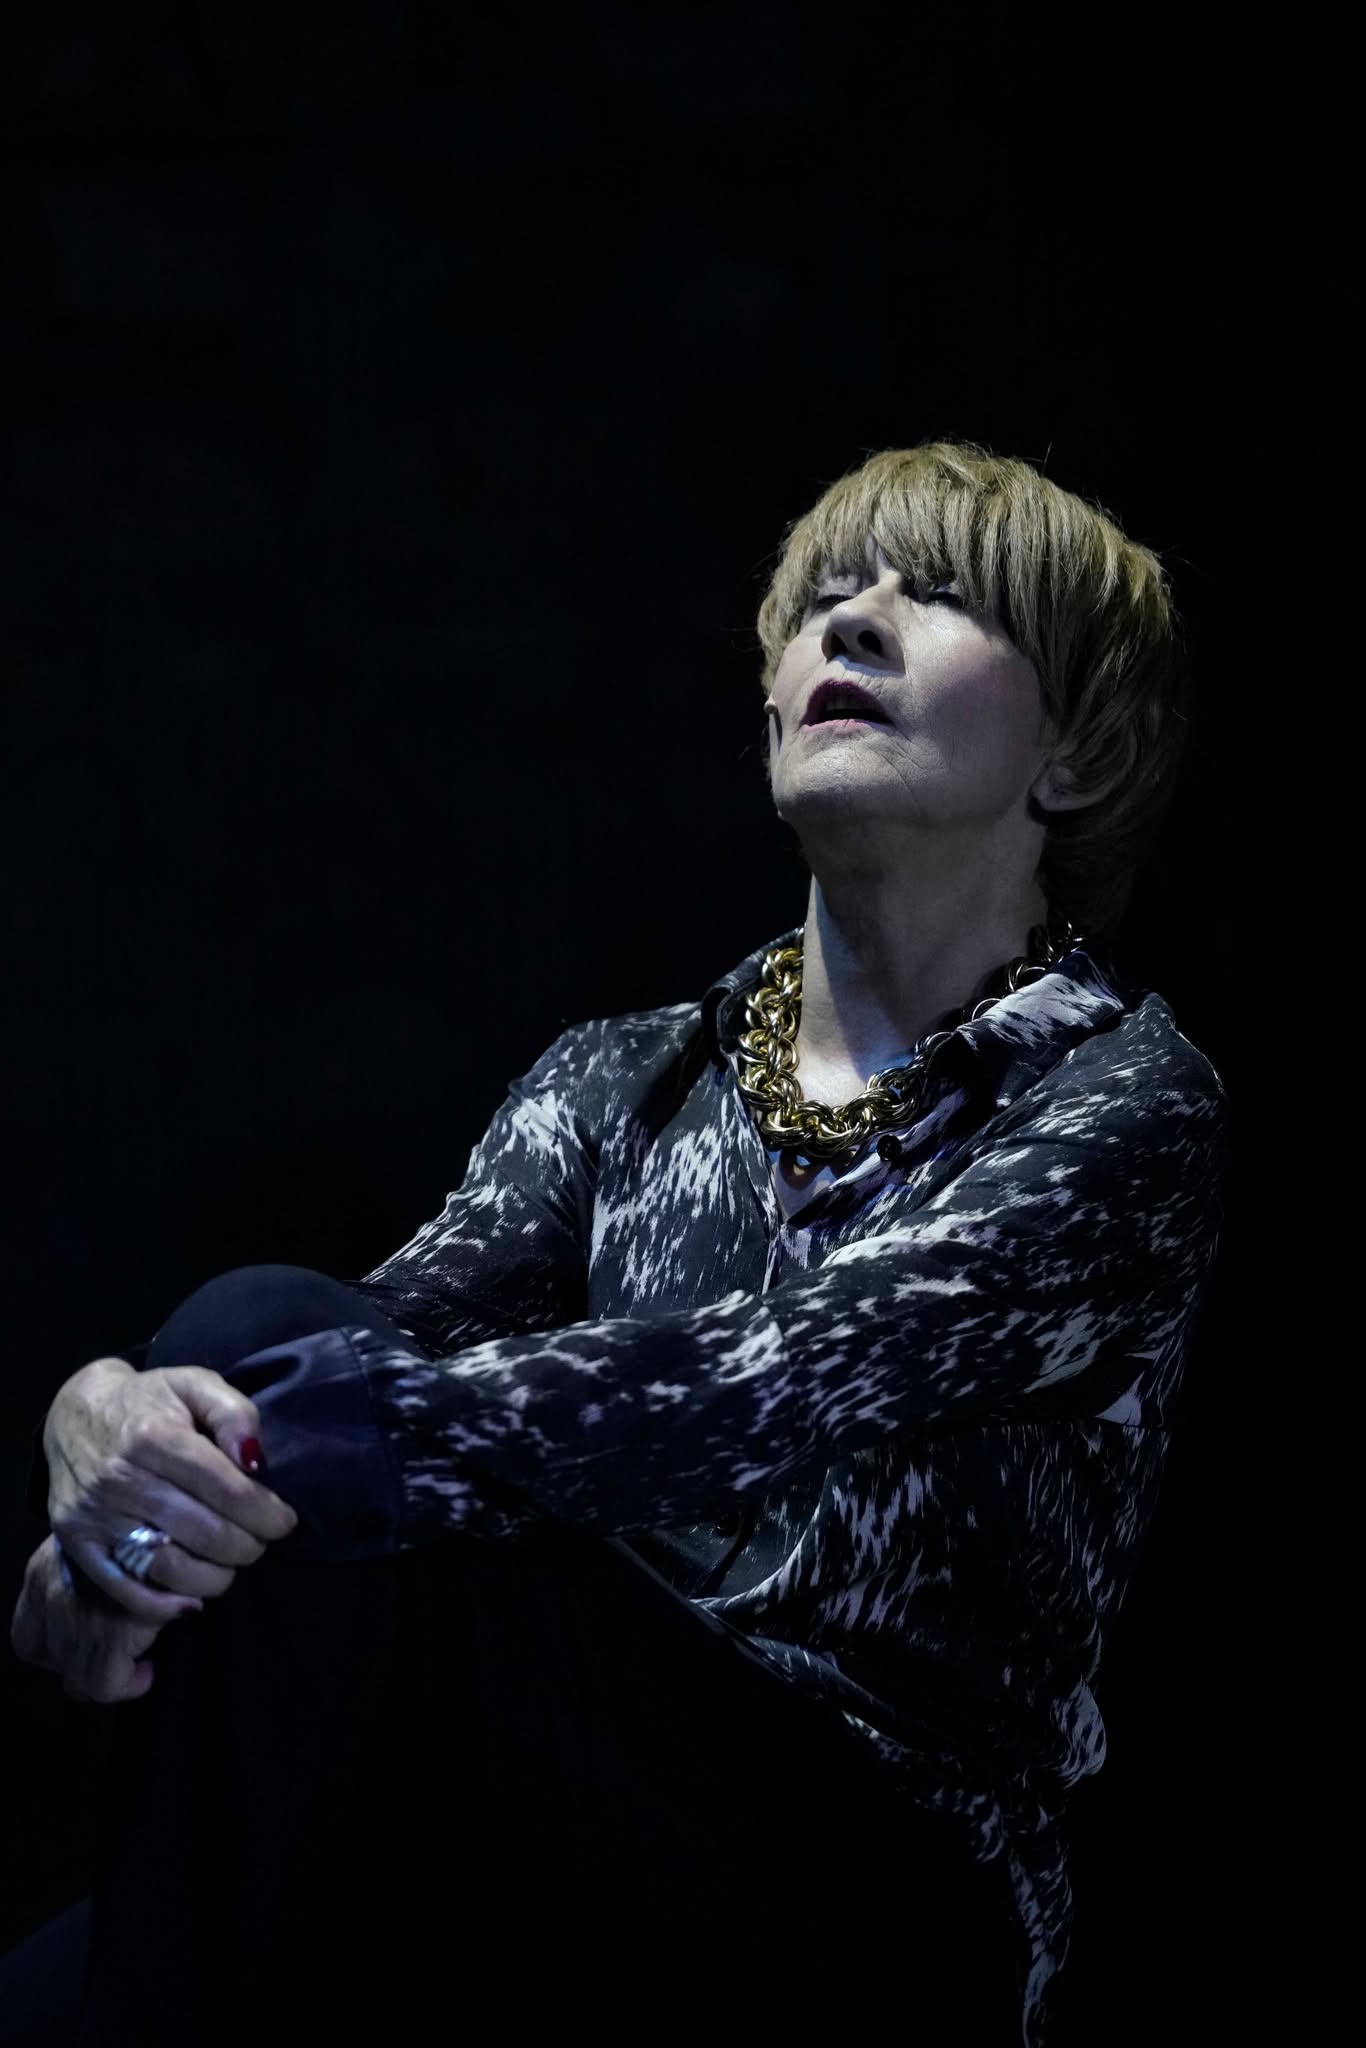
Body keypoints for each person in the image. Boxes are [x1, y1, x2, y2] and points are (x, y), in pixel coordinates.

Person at [5, 439, 1230, 2047]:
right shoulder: (618, 1076)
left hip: (865, 1893)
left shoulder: (1120, 1095)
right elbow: (359, 1337)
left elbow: (759, 1389)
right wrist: (108, 1439)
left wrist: (186, 1495)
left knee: (267, 1418)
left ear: (1070, 754)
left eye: (939, 597)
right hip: (530, 1802)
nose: (852, 621)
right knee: (251, 1341)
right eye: (823, 597)